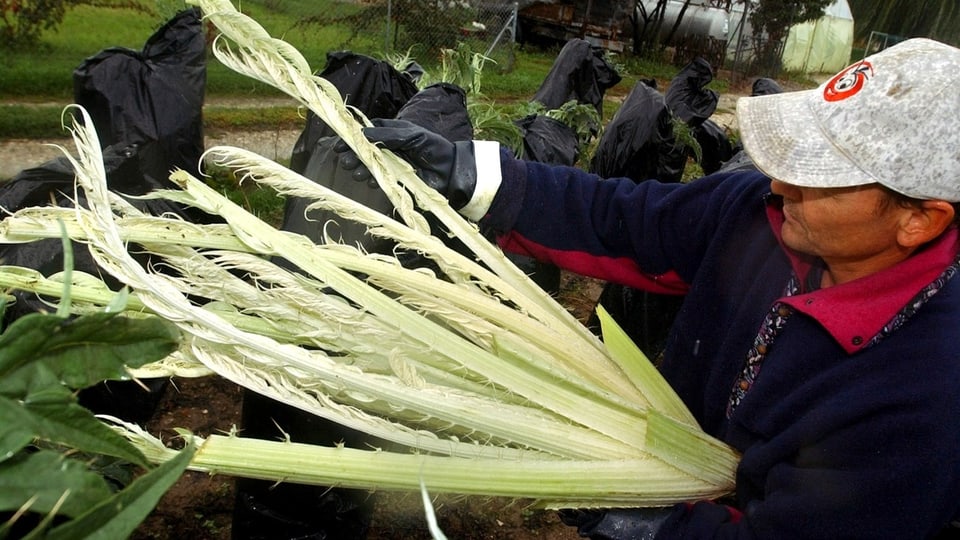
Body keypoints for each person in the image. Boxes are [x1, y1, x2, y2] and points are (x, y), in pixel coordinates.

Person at [337, 38, 960, 538]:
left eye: (819, 178)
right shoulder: (759, 215)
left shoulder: (926, 395)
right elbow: (628, 223)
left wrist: (652, 523)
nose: (779, 186)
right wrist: (478, 177)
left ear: (919, 219)